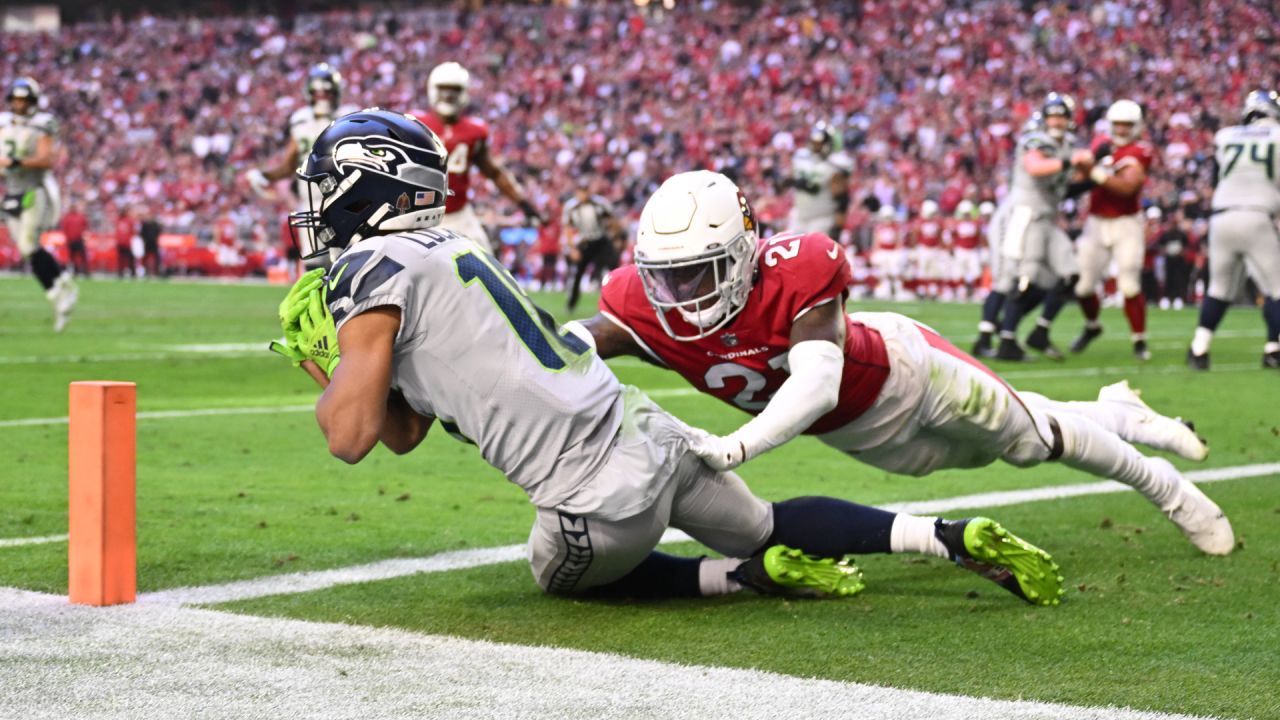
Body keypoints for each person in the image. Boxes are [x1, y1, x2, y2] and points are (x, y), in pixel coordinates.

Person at [272, 109, 1067, 606]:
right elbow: (405, 428)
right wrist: (336, 363)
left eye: (322, 186)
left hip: (596, 495)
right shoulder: (451, 246)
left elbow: (351, 439)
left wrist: (317, 361)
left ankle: (734, 581)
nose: (311, 205)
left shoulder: (370, 271)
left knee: (555, 577)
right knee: (764, 523)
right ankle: (948, 537)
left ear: (363, 191)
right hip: (648, 432)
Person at [577, 170, 1235, 557]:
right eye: (670, 276)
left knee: (1032, 445)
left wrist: (737, 447)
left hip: (906, 373)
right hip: (860, 435)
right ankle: (1118, 411)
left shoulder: (797, 267)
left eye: (701, 273)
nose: (683, 294)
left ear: (745, 251)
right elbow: (568, 342)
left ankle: (1166, 488)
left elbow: (815, 384)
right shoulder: (638, 306)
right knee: (1001, 449)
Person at [974, 97, 1091, 361]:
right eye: (1053, 116)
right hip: (1023, 215)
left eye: (1062, 116)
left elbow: (1067, 186)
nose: (1058, 121)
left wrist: (1096, 173)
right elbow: (1035, 166)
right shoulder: (1038, 140)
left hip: (1048, 218)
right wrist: (1073, 161)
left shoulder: (1068, 146)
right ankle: (1002, 338)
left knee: (1068, 274)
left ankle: (1036, 331)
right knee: (1017, 279)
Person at [1187, 90, 1280, 370]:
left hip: (1222, 217)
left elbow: (1217, 179)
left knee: (1219, 288)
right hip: (1257, 216)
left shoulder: (1226, 136)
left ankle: (1199, 349)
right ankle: (1273, 349)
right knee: (1276, 288)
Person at [412, 62, 542, 252]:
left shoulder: (475, 132)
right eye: (444, 89)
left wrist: (523, 203)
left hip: (458, 213)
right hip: (418, 213)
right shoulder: (415, 124)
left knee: (484, 261)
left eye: (454, 90)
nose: (448, 95)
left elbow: (494, 172)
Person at [1069, 100, 1157, 361]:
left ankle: (1139, 340)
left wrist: (1093, 172)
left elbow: (1127, 188)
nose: (1120, 129)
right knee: (1083, 287)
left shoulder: (1141, 150)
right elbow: (1078, 177)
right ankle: (1092, 326)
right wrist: (1084, 168)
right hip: (1096, 221)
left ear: (1137, 125)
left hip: (1126, 222)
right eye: (1117, 123)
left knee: (1129, 284)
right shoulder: (1099, 144)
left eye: (1126, 124)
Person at [244, 63, 355, 268]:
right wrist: (264, 176)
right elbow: (289, 165)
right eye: (318, 93)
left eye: (327, 93)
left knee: (348, 266)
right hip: (312, 203)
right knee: (315, 270)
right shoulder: (301, 121)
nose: (322, 98)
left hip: (346, 202)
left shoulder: (350, 117)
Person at [0, 76, 77, 330]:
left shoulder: (42, 123)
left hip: (35, 188)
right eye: (17, 99)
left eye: (24, 100)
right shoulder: (4, 122)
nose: (19, 105)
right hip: (12, 190)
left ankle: (59, 291)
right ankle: (60, 283)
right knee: (25, 250)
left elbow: (46, 160)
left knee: (27, 243)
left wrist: (16, 163)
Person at [562, 183, 622, 312]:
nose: (584, 195)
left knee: (615, 269)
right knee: (578, 273)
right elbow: (567, 228)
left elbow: (612, 220)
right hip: (585, 241)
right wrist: (572, 248)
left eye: (586, 191)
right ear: (577, 192)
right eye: (581, 191)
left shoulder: (600, 203)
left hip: (601, 240)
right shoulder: (571, 207)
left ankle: (619, 299)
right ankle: (571, 304)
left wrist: (615, 237)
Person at [787, 122, 852, 238]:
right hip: (800, 216)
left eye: (819, 143)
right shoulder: (802, 159)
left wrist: (838, 226)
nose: (815, 146)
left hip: (822, 218)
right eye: (814, 143)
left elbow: (842, 199)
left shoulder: (836, 165)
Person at [60, 203, 89, 276]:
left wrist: (82, 234)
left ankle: (86, 271)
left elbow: (86, 225)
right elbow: (64, 228)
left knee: (83, 256)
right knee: (72, 257)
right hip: (71, 240)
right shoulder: (67, 217)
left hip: (79, 239)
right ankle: (76, 271)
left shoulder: (80, 216)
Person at [139, 209, 162, 278]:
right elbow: (142, 233)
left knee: (156, 257)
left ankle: (156, 271)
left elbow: (158, 232)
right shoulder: (145, 224)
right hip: (147, 243)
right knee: (146, 257)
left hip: (154, 242)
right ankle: (146, 271)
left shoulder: (155, 224)